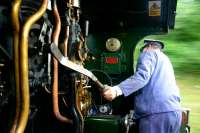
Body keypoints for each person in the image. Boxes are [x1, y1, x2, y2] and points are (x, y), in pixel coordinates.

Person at [103, 39, 182, 133]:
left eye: (142, 50)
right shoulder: (165, 59)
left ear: (148, 47)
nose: (142, 53)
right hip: (174, 112)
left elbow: (141, 77)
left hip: (155, 115)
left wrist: (117, 90)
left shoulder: (149, 53)